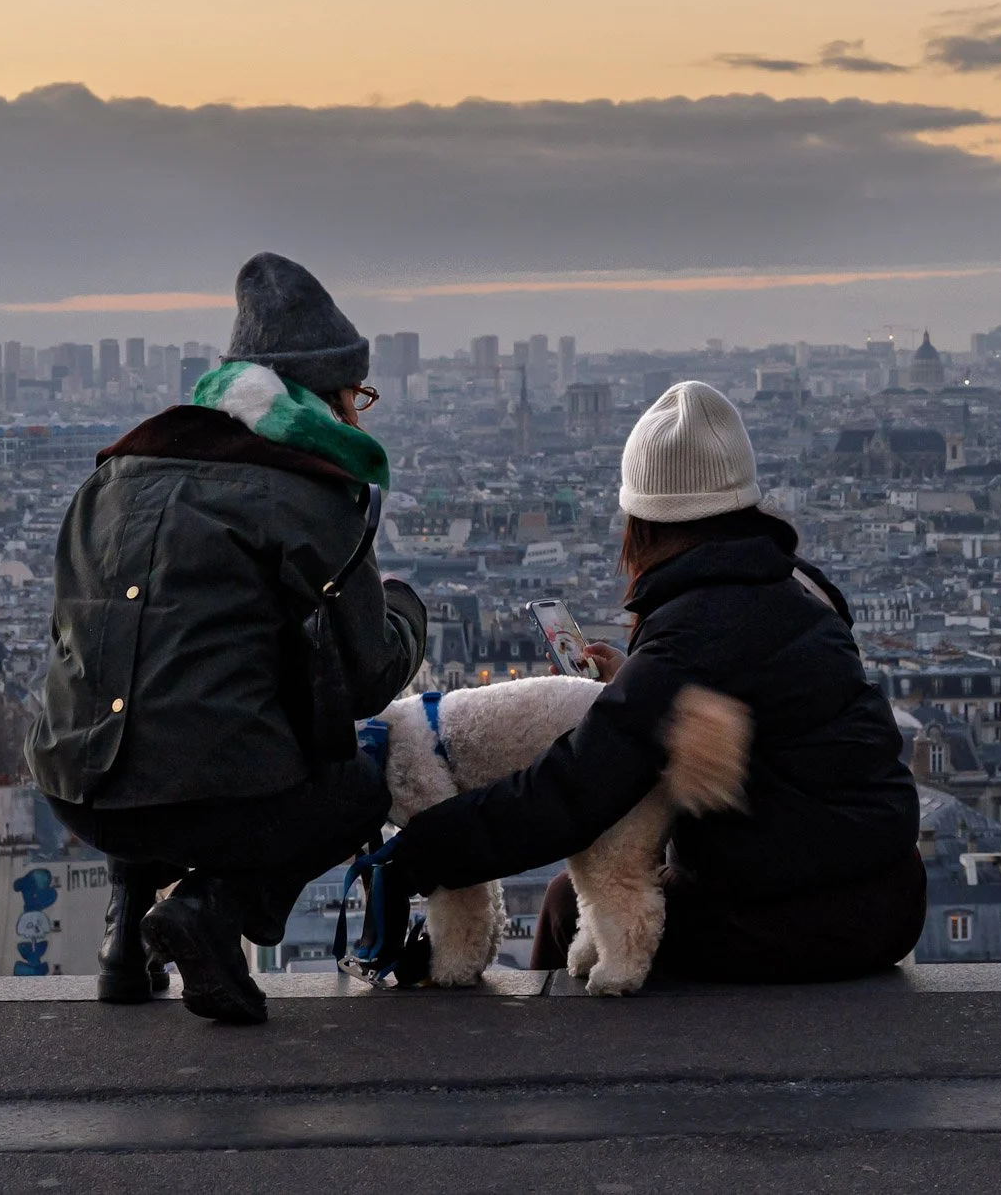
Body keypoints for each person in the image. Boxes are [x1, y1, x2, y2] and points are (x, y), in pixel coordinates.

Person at [378, 381, 923, 985]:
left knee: (566, 909)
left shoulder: (693, 633)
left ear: (643, 519)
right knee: (593, 902)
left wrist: (421, 851)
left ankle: (558, 1074)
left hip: (804, 913)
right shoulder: (798, 586)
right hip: (888, 889)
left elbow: (571, 792)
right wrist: (635, 684)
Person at [25, 252, 426, 1024]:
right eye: (355, 396)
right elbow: (369, 675)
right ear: (324, 394)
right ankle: (212, 908)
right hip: (209, 798)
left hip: (76, 785)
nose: (356, 414)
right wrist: (407, 612)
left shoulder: (116, 473)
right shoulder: (309, 489)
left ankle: (124, 945)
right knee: (360, 786)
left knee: (147, 694)